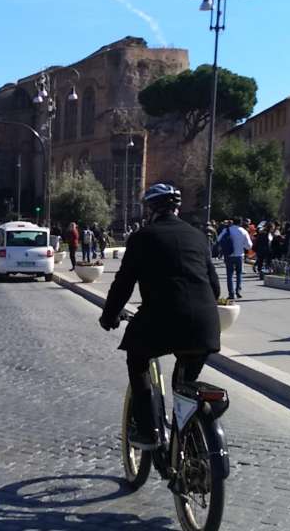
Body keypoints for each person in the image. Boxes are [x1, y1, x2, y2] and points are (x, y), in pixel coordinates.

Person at [99, 184, 220, 450]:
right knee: (185, 383)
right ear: (177, 209)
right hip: (205, 324)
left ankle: (149, 432)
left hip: (160, 321)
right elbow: (215, 287)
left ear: (151, 210)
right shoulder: (198, 237)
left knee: (137, 360)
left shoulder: (143, 237)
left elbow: (123, 283)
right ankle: (186, 439)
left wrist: (109, 316)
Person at [215, 218, 252, 300]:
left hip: (229, 255)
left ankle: (231, 293)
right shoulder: (243, 231)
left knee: (230, 275)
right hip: (239, 255)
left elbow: (218, 239)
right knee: (239, 274)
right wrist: (242, 245)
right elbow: (249, 245)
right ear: (240, 223)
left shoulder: (227, 230)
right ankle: (238, 291)